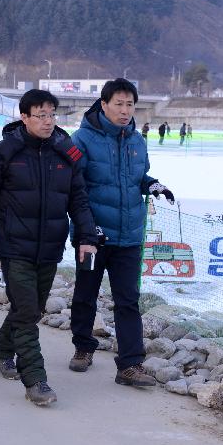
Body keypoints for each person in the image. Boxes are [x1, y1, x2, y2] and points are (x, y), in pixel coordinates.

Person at [0, 89, 97, 406]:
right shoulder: (3, 152)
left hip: (50, 247)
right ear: (24, 117)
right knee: (28, 311)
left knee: (30, 308)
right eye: (40, 115)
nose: (47, 121)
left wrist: (86, 237)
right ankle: (36, 381)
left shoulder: (65, 153)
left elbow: (78, 199)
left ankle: (1, 352)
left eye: (52, 114)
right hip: (14, 247)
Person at [69, 78, 176, 387]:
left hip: (128, 235)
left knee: (128, 300)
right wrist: (88, 229)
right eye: (119, 103)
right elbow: (74, 189)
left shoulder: (136, 140)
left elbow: (137, 177)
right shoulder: (82, 140)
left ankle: (130, 364)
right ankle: (83, 348)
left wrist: (152, 184)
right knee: (86, 293)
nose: (125, 110)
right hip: (93, 238)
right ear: (103, 105)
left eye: (130, 104)